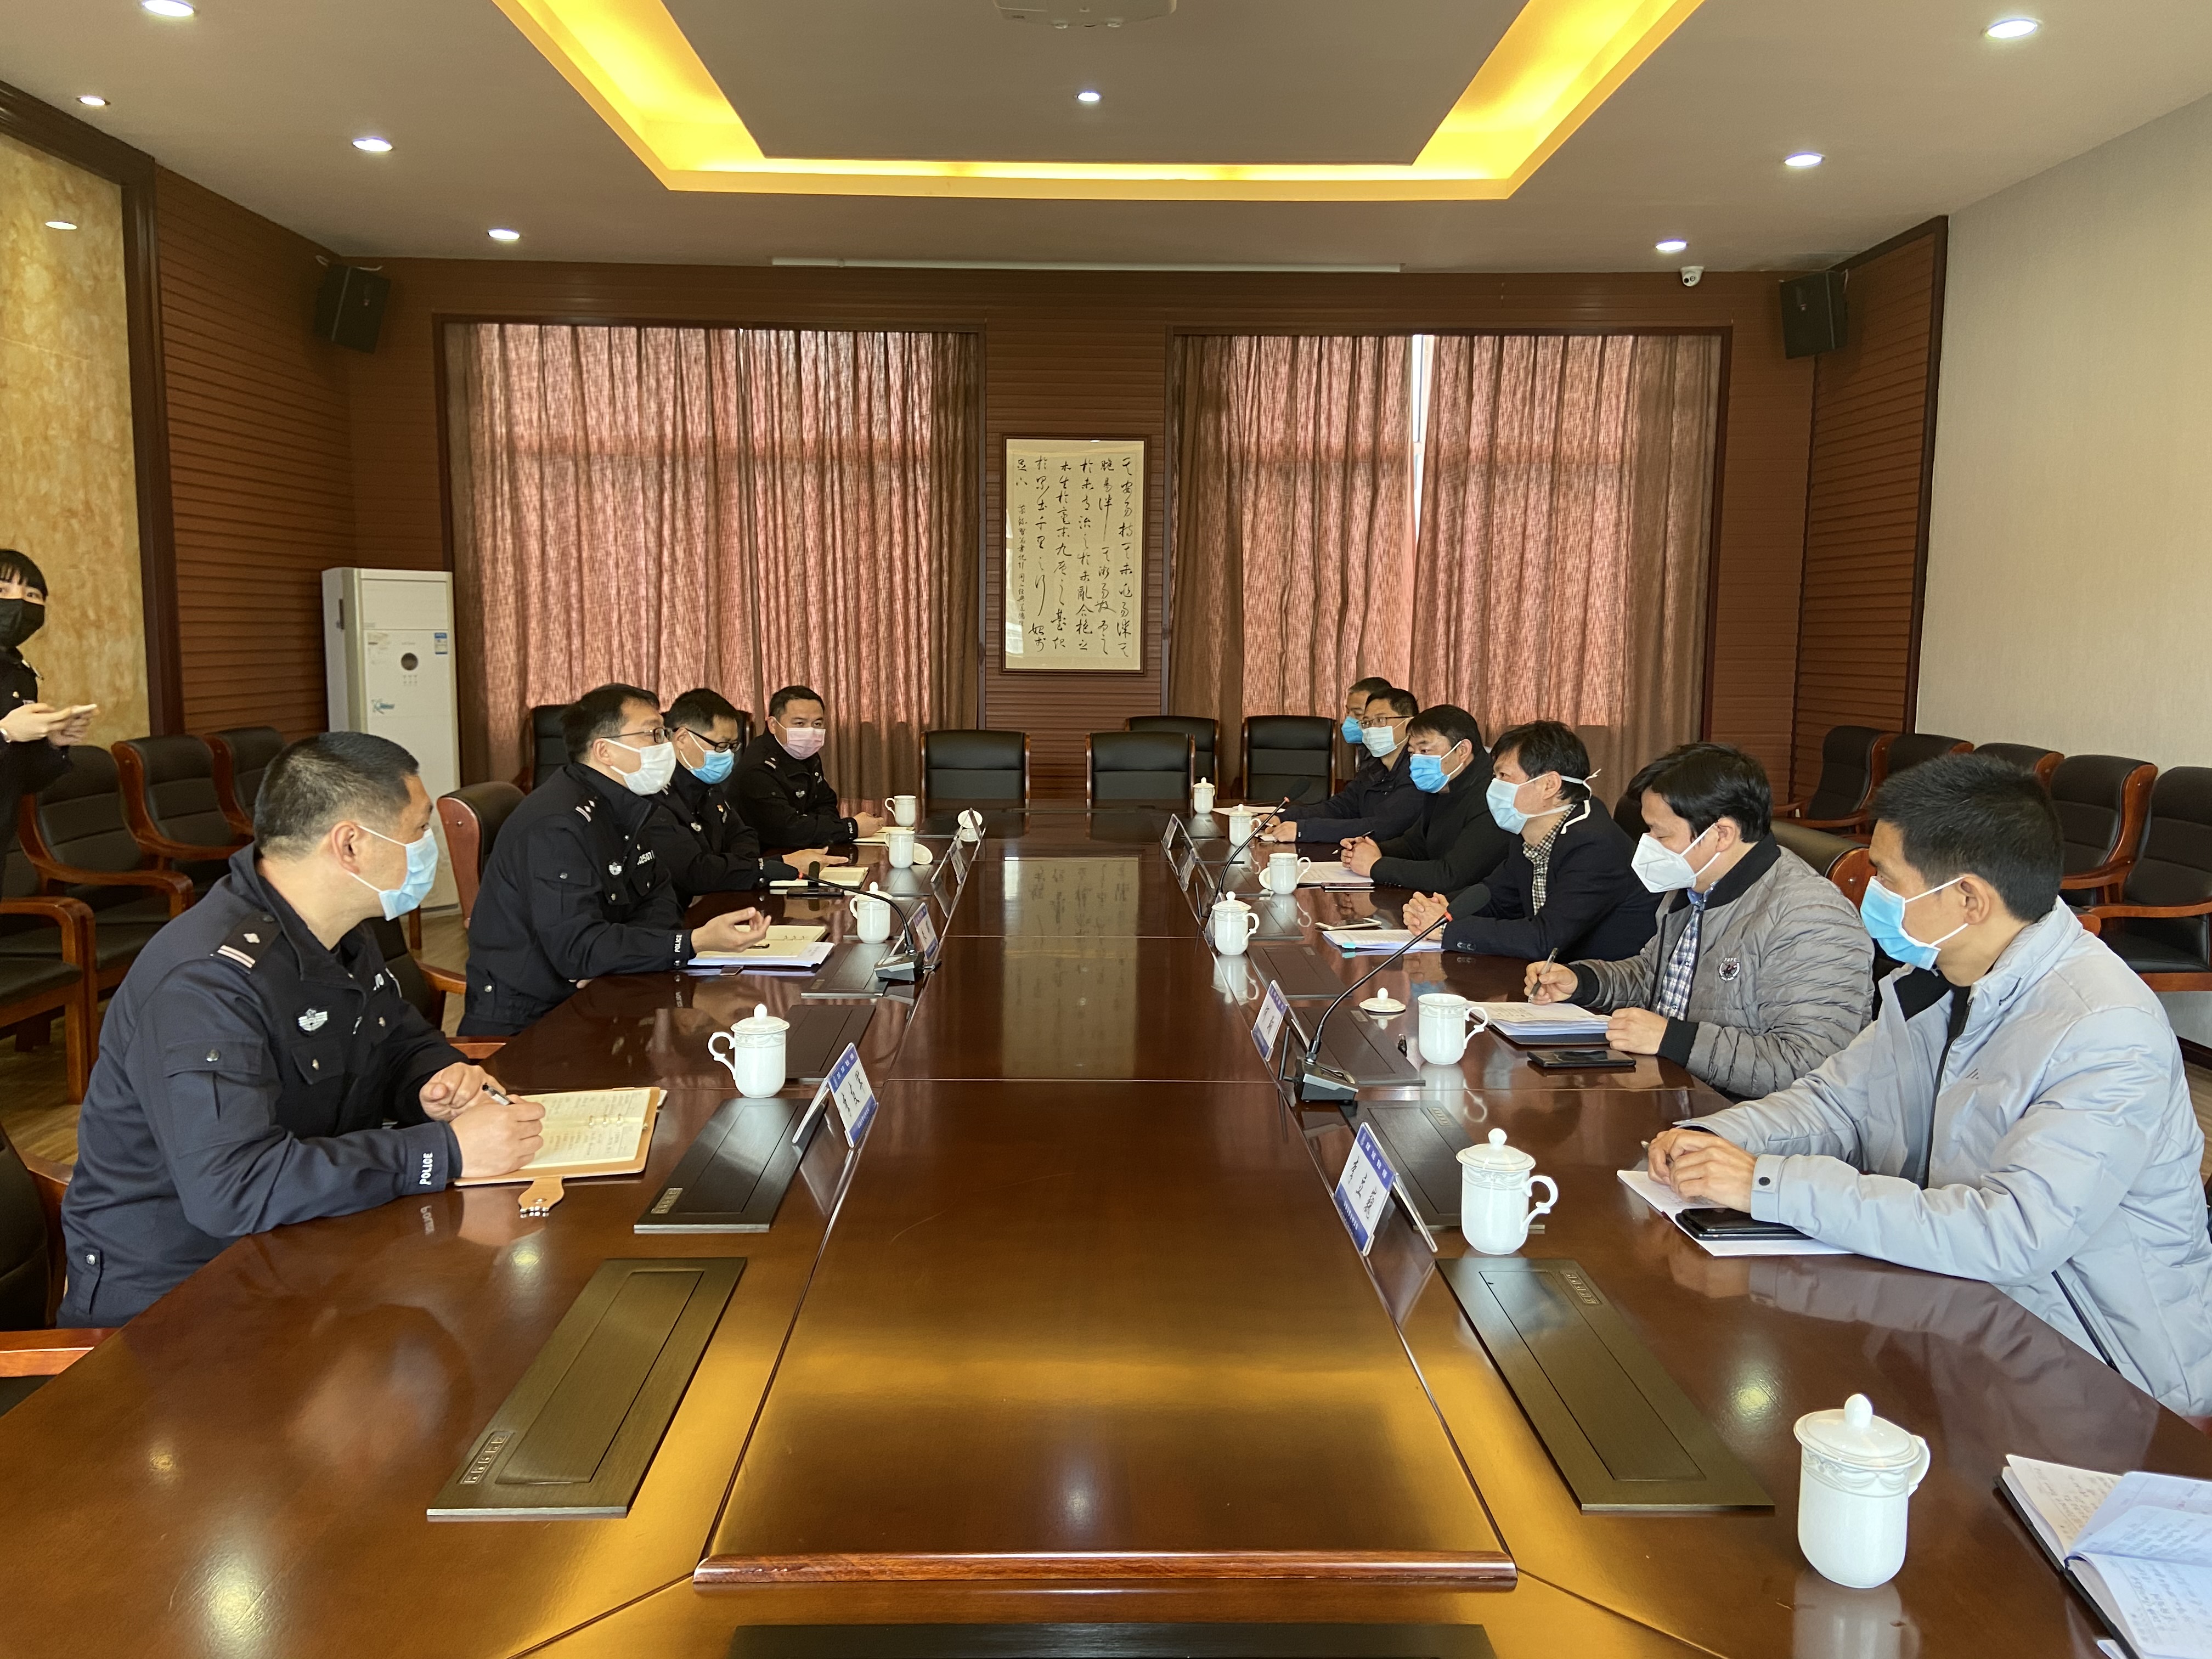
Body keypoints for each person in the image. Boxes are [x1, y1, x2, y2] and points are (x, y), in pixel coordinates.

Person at [1647, 753, 2212, 1414]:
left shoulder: (2104, 1029)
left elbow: (2011, 1234)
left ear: (1969, 899)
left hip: (2099, 1374)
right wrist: (1712, 1136)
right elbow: (1836, 1102)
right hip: (1951, 1313)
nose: (1871, 893)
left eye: (1887, 878)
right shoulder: (1938, 980)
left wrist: (1767, 1184)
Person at [58, 732, 548, 1325]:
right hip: (181, 1300)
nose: (431, 850)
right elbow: (232, 1189)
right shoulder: (208, 982)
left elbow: (396, 1038)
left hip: (303, 1245)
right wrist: (442, 1153)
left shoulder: (337, 928)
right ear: (350, 845)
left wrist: (435, 1079)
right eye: (420, 829)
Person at [1524, 742, 1872, 1099]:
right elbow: (1656, 977)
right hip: (1673, 1088)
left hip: (1743, 1117)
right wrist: (1583, 981)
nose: (1648, 845)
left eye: (1661, 834)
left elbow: (1808, 1065)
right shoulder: (1695, 884)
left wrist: (1671, 1039)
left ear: (1721, 835)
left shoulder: (1812, 919)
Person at [461, 684, 771, 1036]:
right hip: (533, 1021)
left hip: (603, 993)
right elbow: (578, 950)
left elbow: (661, 896)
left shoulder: (627, 803)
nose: (665, 746)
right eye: (653, 734)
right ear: (605, 751)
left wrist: (610, 958)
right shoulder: (558, 825)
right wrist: (691, 942)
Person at [1402, 719, 1654, 961]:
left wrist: (1447, 930)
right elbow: (1497, 897)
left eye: (1504, 776)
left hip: (1598, 981)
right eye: (1495, 775)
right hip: (1550, 975)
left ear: (1549, 785)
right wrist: (1444, 908)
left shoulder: (1594, 844)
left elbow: (1545, 939)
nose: (1493, 786)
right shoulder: (1528, 831)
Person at [648, 687, 831, 901]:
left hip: (722, 893)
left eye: (733, 746)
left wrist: (740, 867)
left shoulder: (707, 783)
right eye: (721, 746)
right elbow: (695, 872)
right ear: (682, 738)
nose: (728, 755)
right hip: (680, 908)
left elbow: (743, 834)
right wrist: (760, 867)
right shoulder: (656, 793)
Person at [1339, 703, 1513, 894]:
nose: (1416, 761)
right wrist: (1370, 849)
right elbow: (1416, 845)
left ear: (1462, 750)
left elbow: (1451, 876)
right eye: (1412, 753)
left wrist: (1376, 866)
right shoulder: (1443, 782)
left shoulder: (1493, 795)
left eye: (1425, 751)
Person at [0, 549, 96, 856]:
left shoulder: (21, 674)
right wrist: (5, 733)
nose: (19, 603)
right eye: (2, 590)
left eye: (32, 595)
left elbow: (21, 779)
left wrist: (53, 744)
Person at [1261, 685, 1423, 847]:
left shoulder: (1418, 771)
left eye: (1380, 720)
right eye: (1367, 723)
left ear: (1409, 724)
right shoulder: (1374, 768)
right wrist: (1283, 817)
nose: (1372, 729)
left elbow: (1382, 826)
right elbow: (1341, 807)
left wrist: (1303, 830)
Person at [734, 685, 883, 855]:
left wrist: (818, 829)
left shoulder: (804, 753)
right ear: (773, 725)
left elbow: (826, 802)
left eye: (817, 724)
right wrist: (851, 828)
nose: (810, 732)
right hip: (764, 858)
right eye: (800, 723)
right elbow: (786, 829)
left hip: (806, 851)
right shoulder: (758, 768)